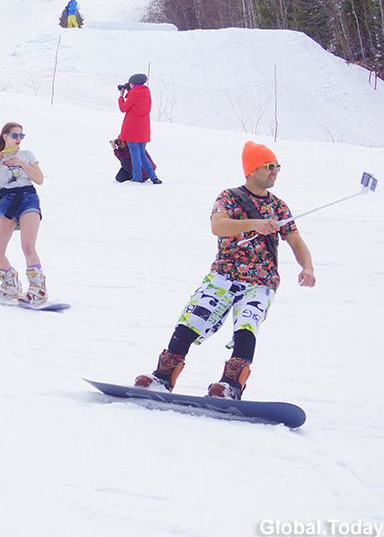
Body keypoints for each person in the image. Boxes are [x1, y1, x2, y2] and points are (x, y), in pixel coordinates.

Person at [134, 141, 316, 400]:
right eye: (269, 166)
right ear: (253, 169)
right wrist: (254, 224)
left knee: (246, 326)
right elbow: (218, 226)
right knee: (192, 319)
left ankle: (231, 386)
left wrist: (307, 267)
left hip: (261, 281)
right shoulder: (229, 197)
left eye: (277, 166)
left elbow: (296, 241)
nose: (275, 171)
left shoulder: (279, 207)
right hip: (224, 274)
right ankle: (162, 377)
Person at [0, 122, 48, 306]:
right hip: (6, 201)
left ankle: (38, 290)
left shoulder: (27, 155)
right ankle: (10, 287)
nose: (18, 139)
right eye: (15, 135)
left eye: (21, 136)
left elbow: (39, 179)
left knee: (28, 246)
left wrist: (22, 163)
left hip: (27, 198)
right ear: (5, 136)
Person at [118, 73, 161, 184]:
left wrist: (121, 96)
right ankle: (153, 177)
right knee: (142, 153)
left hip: (132, 128)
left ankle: (137, 178)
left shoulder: (133, 94)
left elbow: (123, 108)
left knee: (135, 154)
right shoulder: (146, 93)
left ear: (133, 83)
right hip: (144, 128)